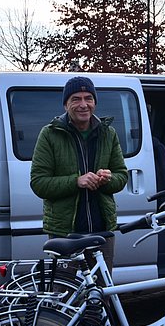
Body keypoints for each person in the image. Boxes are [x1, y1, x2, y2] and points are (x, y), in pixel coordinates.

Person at [30, 76, 128, 273]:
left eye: (88, 98)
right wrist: (76, 181)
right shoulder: (49, 134)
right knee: (66, 294)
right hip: (66, 234)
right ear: (66, 104)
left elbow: (121, 176)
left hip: (102, 231)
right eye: (76, 99)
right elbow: (39, 183)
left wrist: (108, 179)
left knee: (101, 294)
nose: (83, 104)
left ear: (94, 102)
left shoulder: (108, 134)